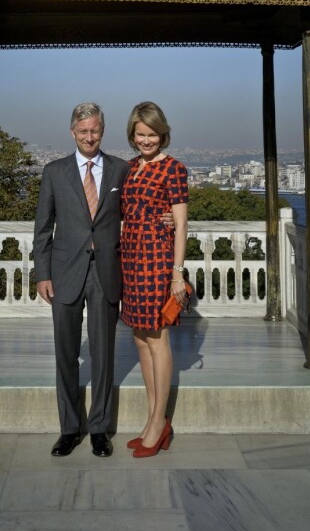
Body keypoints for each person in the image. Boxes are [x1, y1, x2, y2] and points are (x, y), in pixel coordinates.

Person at [34, 103, 130, 458]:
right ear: (72, 132)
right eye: (83, 131)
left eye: (96, 131)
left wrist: (167, 219)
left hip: (106, 273)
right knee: (66, 354)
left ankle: (99, 430)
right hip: (64, 274)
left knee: (104, 354)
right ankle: (69, 429)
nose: (90, 137)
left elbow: (136, 214)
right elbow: (42, 229)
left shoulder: (121, 170)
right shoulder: (54, 172)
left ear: (103, 131)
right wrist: (42, 273)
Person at [121, 101, 189, 458]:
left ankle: (160, 423)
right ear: (132, 135)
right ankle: (152, 419)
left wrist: (177, 274)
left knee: (157, 339)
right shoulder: (130, 168)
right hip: (130, 261)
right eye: (140, 134)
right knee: (140, 339)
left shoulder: (174, 169)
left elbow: (181, 225)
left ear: (163, 134)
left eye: (152, 134)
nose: (146, 140)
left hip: (157, 260)